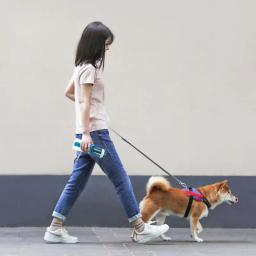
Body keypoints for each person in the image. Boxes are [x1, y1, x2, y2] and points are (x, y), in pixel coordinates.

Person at [44, 21, 169, 244]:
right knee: (120, 178)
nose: (107, 49)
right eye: (105, 44)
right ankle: (140, 228)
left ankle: (55, 227)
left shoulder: (80, 66)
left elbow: (70, 93)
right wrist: (89, 128)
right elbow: (83, 103)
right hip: (95, 136)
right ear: (96, 44)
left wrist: (89, 117)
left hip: (87, 135)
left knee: (77, 181)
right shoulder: (90, 69)